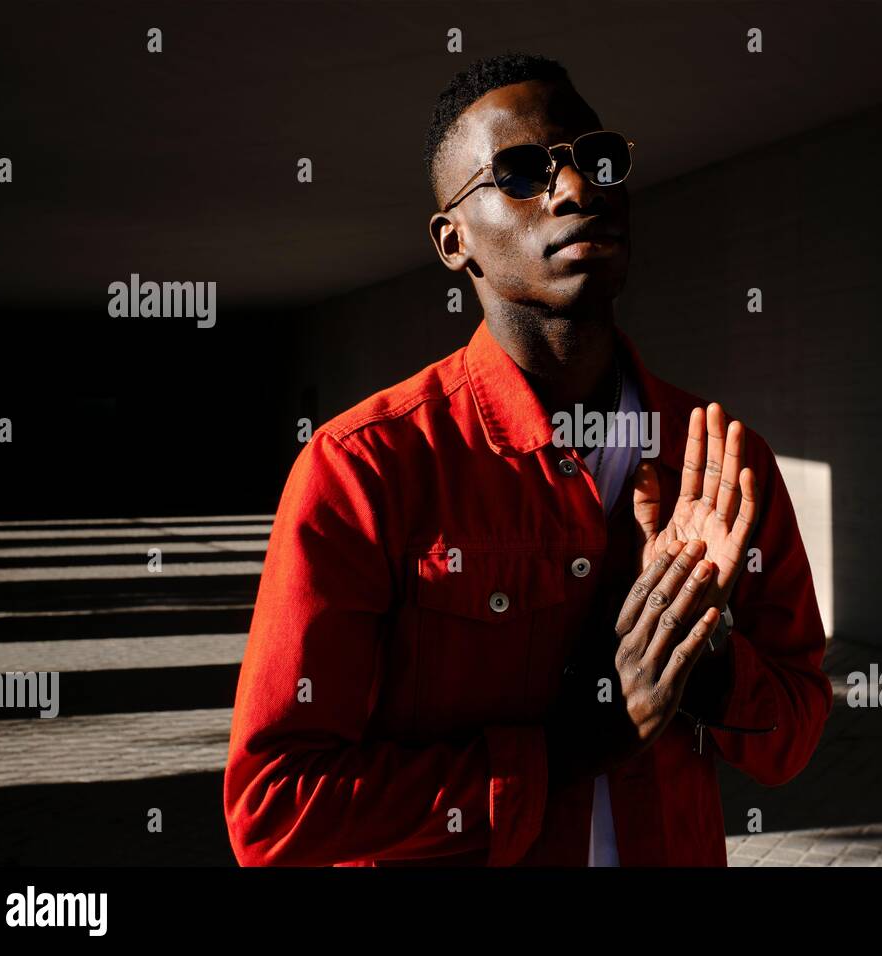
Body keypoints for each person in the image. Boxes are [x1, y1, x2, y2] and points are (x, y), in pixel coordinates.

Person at [223, 51, 832, 867]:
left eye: (598, 160)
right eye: (518, 173)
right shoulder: (366, 468)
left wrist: (705, 651)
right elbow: (274, 808)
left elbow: (789, 738)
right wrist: (564, 749)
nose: (577, 190)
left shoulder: (716, 459)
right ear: (453, 240)